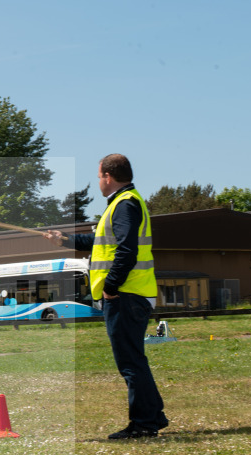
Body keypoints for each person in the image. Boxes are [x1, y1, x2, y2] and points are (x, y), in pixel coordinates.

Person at [45, 154, 168, 439]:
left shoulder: (124, 206)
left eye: (99, 176)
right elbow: (98, 242)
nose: (99, 181)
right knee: (134, 359)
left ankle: (144, 424)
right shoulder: (122, 204)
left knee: (130, 362)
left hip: (125, 295)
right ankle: (153, 417)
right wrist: (64, 239)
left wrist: (111, 287)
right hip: (129, 294)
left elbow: (127, 251)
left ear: (108, 177)